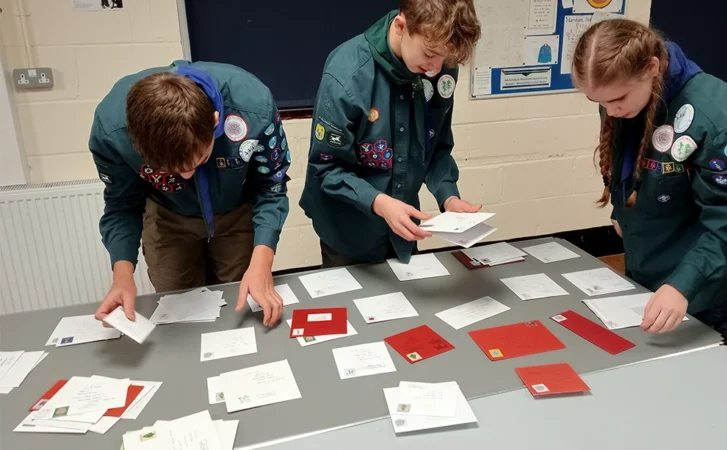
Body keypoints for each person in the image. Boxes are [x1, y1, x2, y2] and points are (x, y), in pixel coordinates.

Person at [571, 19, 727, 340]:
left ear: (651, 67)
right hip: (648, 258)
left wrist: (682, 285)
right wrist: (622, 209)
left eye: (617, 99)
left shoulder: (725, 120)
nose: (611, 110)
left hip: (703, 278)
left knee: (694, 367)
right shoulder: (625, 101)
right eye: (600, 103)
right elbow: (632, 160)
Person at [89, 60, 291, 327]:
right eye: (170, 170)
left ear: (214, 122)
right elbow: (122, 203)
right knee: (179, 317)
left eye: (197, 161)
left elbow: (271, 187)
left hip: (237, 209)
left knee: (239, 311)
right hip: (168, 213)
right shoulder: (112, 131)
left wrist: (263, 261)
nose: (185, 175)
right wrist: (122, 276)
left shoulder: (253, 106)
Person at [299, 0, 482, 268]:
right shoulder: (348, 74)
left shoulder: (437, 65)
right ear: (401, 26)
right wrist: (381, 204)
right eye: (430, 53)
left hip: (403, 229)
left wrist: (449, 197)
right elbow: (326, 170)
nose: (435, 67)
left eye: (446, 58)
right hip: (348, 232)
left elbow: (436, 147)